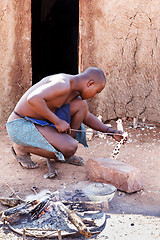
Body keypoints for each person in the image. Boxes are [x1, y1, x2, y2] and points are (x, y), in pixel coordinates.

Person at [6, 67, 124, 178]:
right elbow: (33, 99)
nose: (94, 96)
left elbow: (87, 116)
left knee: (81, 106)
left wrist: (111, 132)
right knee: (71, 147)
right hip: (20, 124)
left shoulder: (74, 92)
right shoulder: (62, 84)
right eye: (96, 92)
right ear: (90, 84)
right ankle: (21, 148)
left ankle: (63, 150)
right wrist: (57, 121)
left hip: (40, 122)